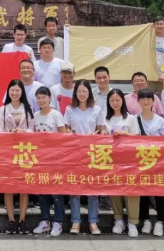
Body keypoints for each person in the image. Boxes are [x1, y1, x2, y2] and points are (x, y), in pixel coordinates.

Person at [64, 80, 104, 235]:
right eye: (79, 91)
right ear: (75, 93)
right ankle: (76, 222)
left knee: (93, 189)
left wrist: (95, 134)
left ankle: (93, 222)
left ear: (89, 93)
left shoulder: (96, 109)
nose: (81, 94)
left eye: (84, 91)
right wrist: (70, 134)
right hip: (75, 153)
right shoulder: (70, 109)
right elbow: (66, 128)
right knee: (75, 189)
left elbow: (101, 130)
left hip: (92, 153)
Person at [0, 79, 35, 234]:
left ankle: (22, 220)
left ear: (22, 92)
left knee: (23, 187)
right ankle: (11, 220)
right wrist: (9, 133)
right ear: (8, 92)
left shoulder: (28, 108)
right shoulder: (3, 109)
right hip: (8, 153)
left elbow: (33, 130)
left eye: (17, 90)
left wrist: (23, 132)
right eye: (12, 90)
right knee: (8, 187)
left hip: (24, 152)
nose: (14, 93)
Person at [105, 89, 140, 237]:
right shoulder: (105, 119)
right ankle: (118, 220)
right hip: (111, 160)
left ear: (122, 101)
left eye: (117, 100)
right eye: (112, 100)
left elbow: (138, 138)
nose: (115, 103)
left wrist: (125, 134)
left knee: (131, 191)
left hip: (129, 161)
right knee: (115, 191)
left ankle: (133, 222)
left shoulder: (131, 118)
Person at [32, 87, 65, 237]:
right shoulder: (35, 115)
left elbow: (63, 136)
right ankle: (45, 221)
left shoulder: (56, 115)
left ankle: (58, 222)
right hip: (40, 160)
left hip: (55, 159)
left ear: (49, 98)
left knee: (56, 193)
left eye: (43, 97)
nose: (41, 100)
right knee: (42, 192)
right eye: (38, 98)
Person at [135, 89, 164, 237]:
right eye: (143, 99)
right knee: (142, 192)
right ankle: (146, 220)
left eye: (149, 98)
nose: (146, 101)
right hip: (140, 162)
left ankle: (160, 222)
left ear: (153, 101)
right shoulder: (134, 119)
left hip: (158, 162)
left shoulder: (160, 121)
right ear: (138, 101)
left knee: (160, 192)